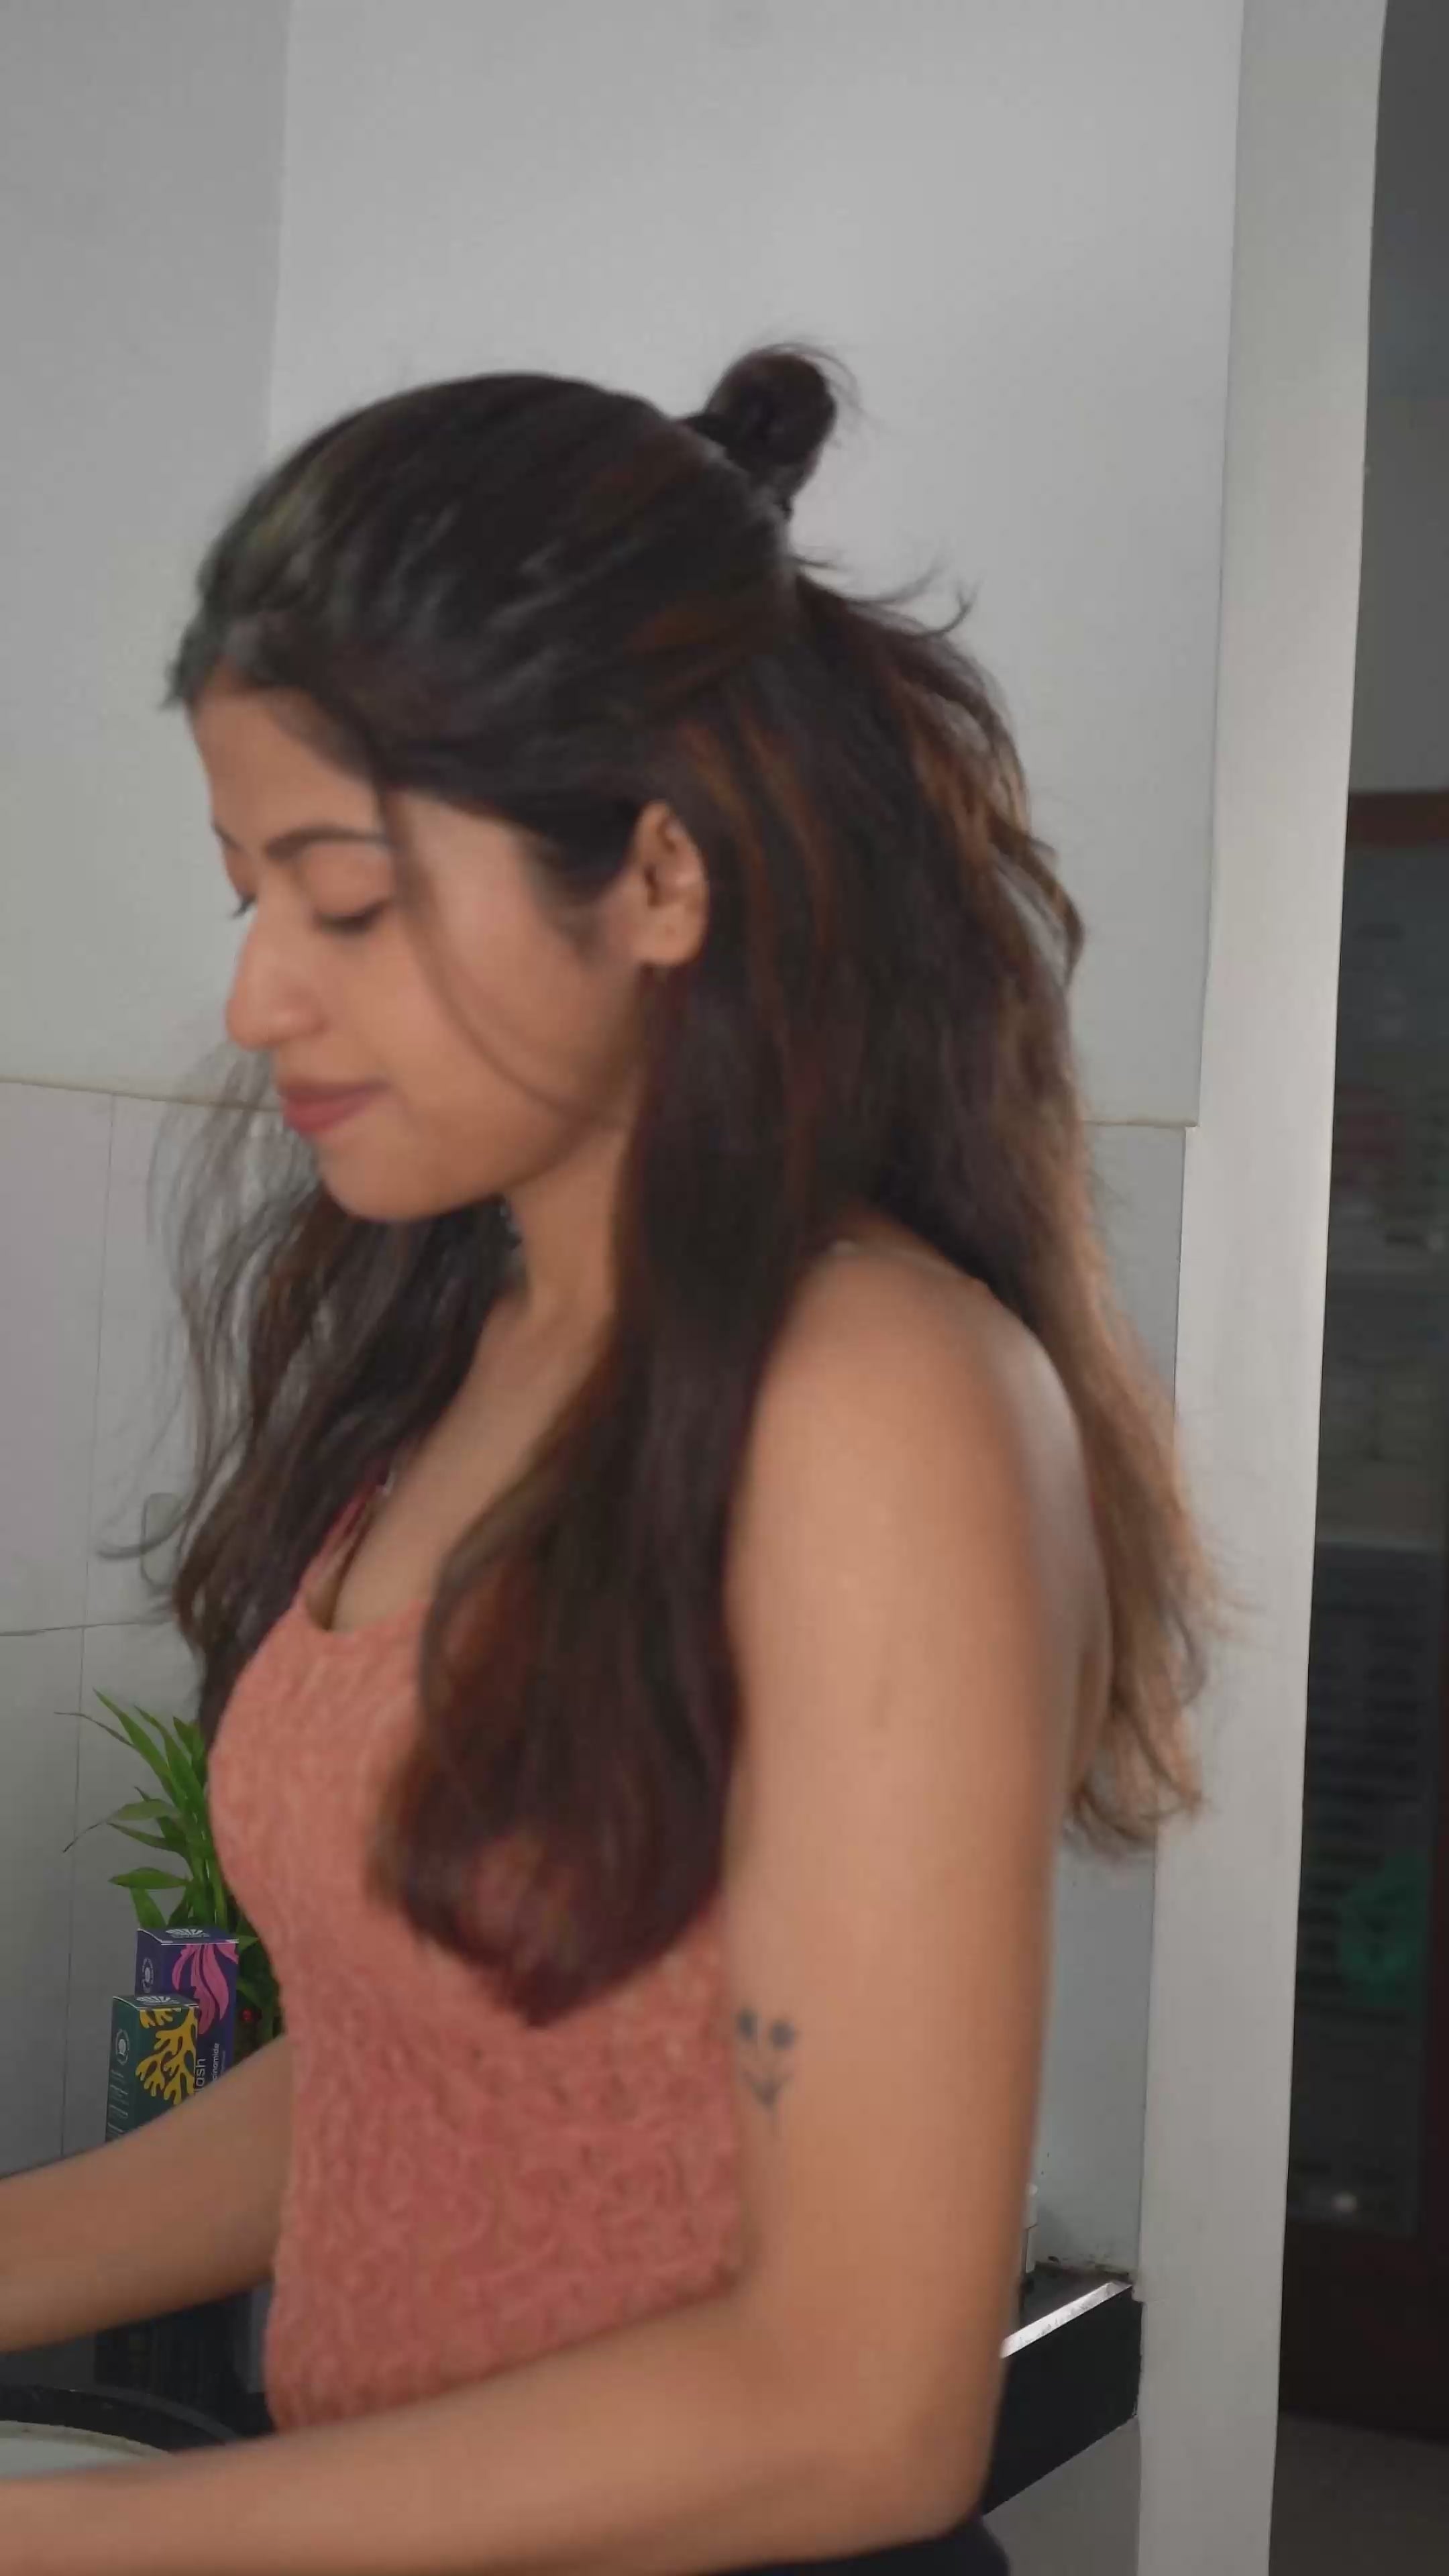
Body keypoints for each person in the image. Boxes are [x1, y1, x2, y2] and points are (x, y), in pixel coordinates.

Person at [0, 343, 1222, 2573]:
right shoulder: (474, 1339)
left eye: (346, 900)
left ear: (660, 876)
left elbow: (856, 2415)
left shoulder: (867, 1403)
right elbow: (421, 2065)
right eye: (246, 893)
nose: (260, 997)